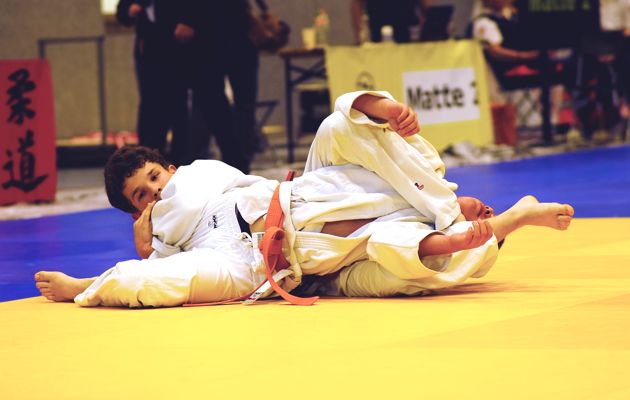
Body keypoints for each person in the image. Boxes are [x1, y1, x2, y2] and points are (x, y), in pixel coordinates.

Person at [34, 91, 574, 307]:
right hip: (278, 263)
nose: (155, 192)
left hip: (294, 198)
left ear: (169, 168)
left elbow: (206, 189)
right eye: (142, 195)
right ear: (135, 209)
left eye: (154, 177)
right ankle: (501, 223)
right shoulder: (163, 238)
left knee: (338, 125)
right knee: (401, 276)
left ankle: (385, 117)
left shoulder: (202, 175)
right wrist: (145, 250)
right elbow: (159, 274)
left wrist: (155, 233)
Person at [185, 0, 260, 173]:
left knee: (240, 104)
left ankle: (239, 159)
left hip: (231, 31)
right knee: (214, 102)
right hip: (209, 35)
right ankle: (235, 157)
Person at [116, 0, 194, 166]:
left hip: (175, 47)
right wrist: (130, 11)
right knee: (150, 107)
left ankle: (181, 161)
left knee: (178, 106)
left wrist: (188, 22)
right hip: (148, 50)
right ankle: (147, 160)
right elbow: (122, 12)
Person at [351, 0, 432, 44]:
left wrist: (428, 30)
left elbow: (427, 6)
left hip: (408, 34)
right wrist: (360, 36)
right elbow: (357, 4)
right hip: (377, 35)